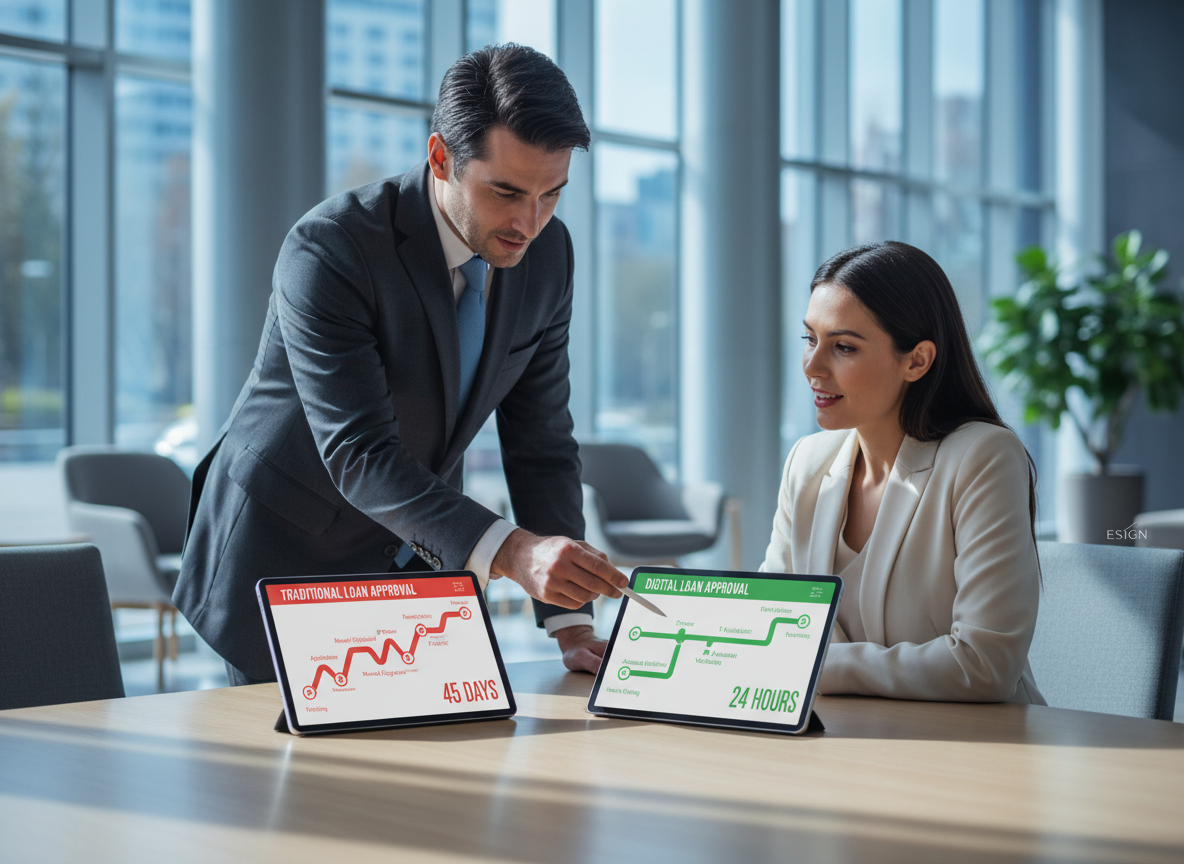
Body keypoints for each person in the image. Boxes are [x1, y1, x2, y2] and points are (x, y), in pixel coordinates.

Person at [174, 44, 627, 686]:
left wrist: (570, 618)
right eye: (506, 192)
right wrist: (514, 551)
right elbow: (357, 450)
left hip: (412, 550)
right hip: (282, 554)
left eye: (552, 194)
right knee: (295, 779)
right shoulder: (331, 248)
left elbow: (542, 442)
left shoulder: (547, 255)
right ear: (441, 157)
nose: (529, 222)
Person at [760, 241, 1045, 703]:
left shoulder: (982, 456)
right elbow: (769, 617)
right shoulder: (807, 462)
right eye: (810, 339)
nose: (812, 366)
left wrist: (812, 665)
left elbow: (985, 664)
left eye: (844, 347)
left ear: (917, 360)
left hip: (975, 749)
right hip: (840, 744)